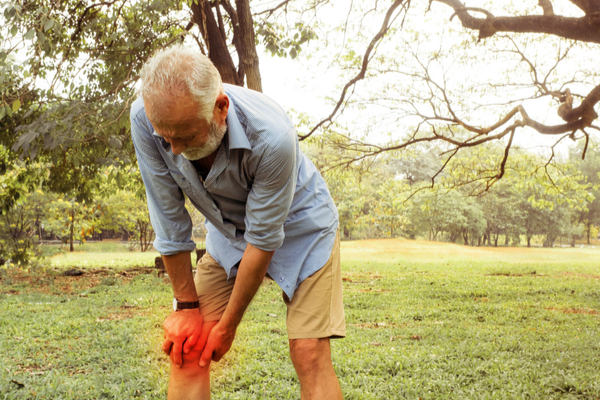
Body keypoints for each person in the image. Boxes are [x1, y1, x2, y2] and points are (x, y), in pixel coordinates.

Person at [130, 45, 345, 400]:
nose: (177, 151)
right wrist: (186, 308)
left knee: (309, 352)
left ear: (220, 108)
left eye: (186, 136)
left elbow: (262, 241)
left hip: (304, 227)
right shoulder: (145, 118)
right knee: (190, 347)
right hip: (229, 230)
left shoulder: (273, 136)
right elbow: (168, 219)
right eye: (166, 138)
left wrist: (228, 326)